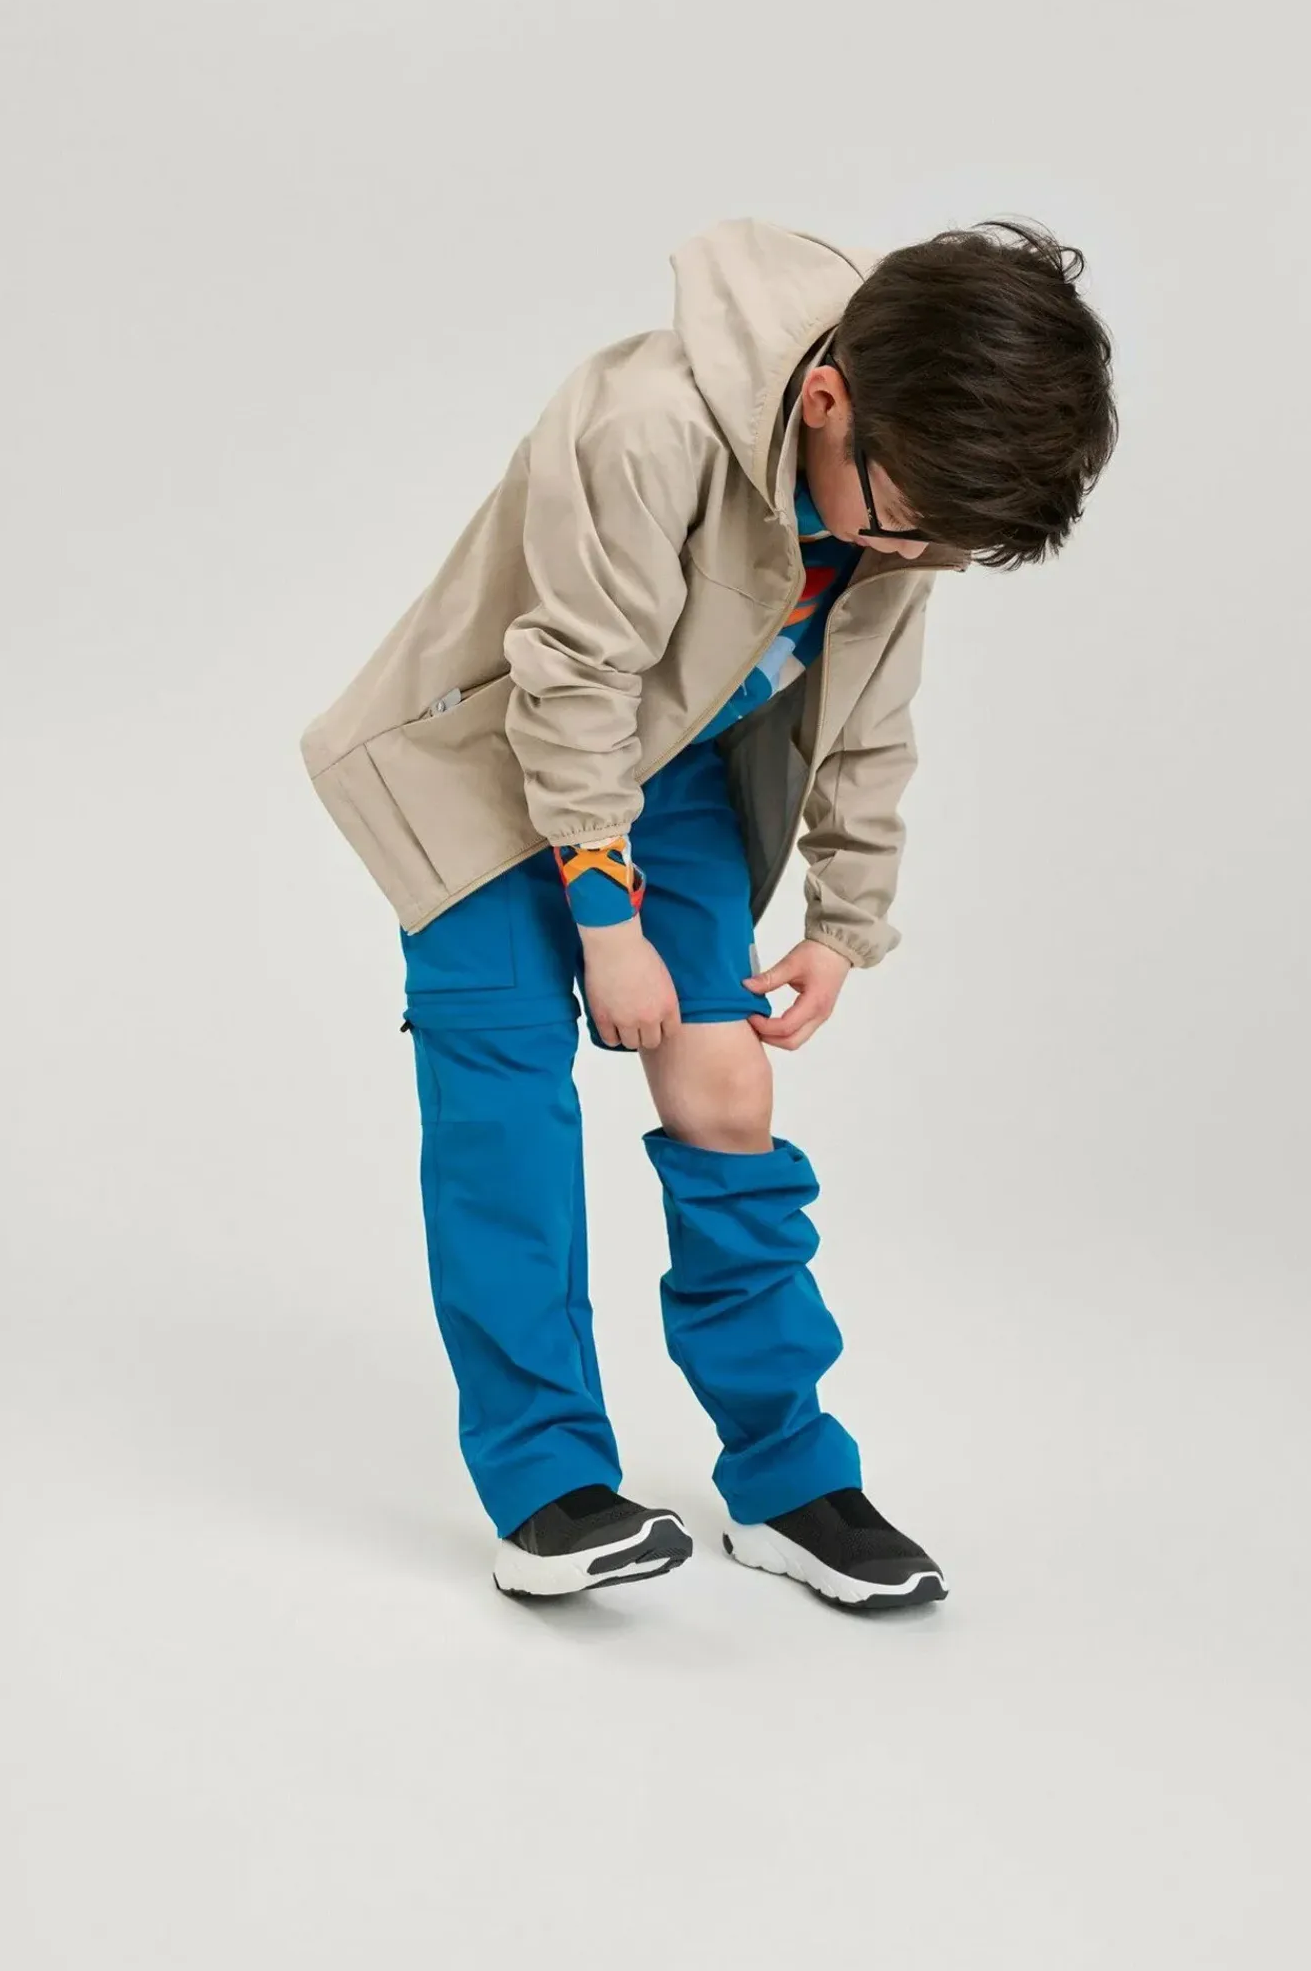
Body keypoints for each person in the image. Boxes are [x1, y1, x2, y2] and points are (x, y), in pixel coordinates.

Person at [301, 218, 1117, 1609]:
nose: (910, 553)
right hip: (481, 760)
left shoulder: (903, 495)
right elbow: (573, 679)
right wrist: (607, 928)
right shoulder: (648, 424)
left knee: (726, 1091)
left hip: (665, 772)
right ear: (827, 399)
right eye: (903, 522)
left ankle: (789, 1476)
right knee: (507, 1105)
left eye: (942, 543)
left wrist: (846, 922)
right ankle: (547, 1485)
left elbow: (870, 716)